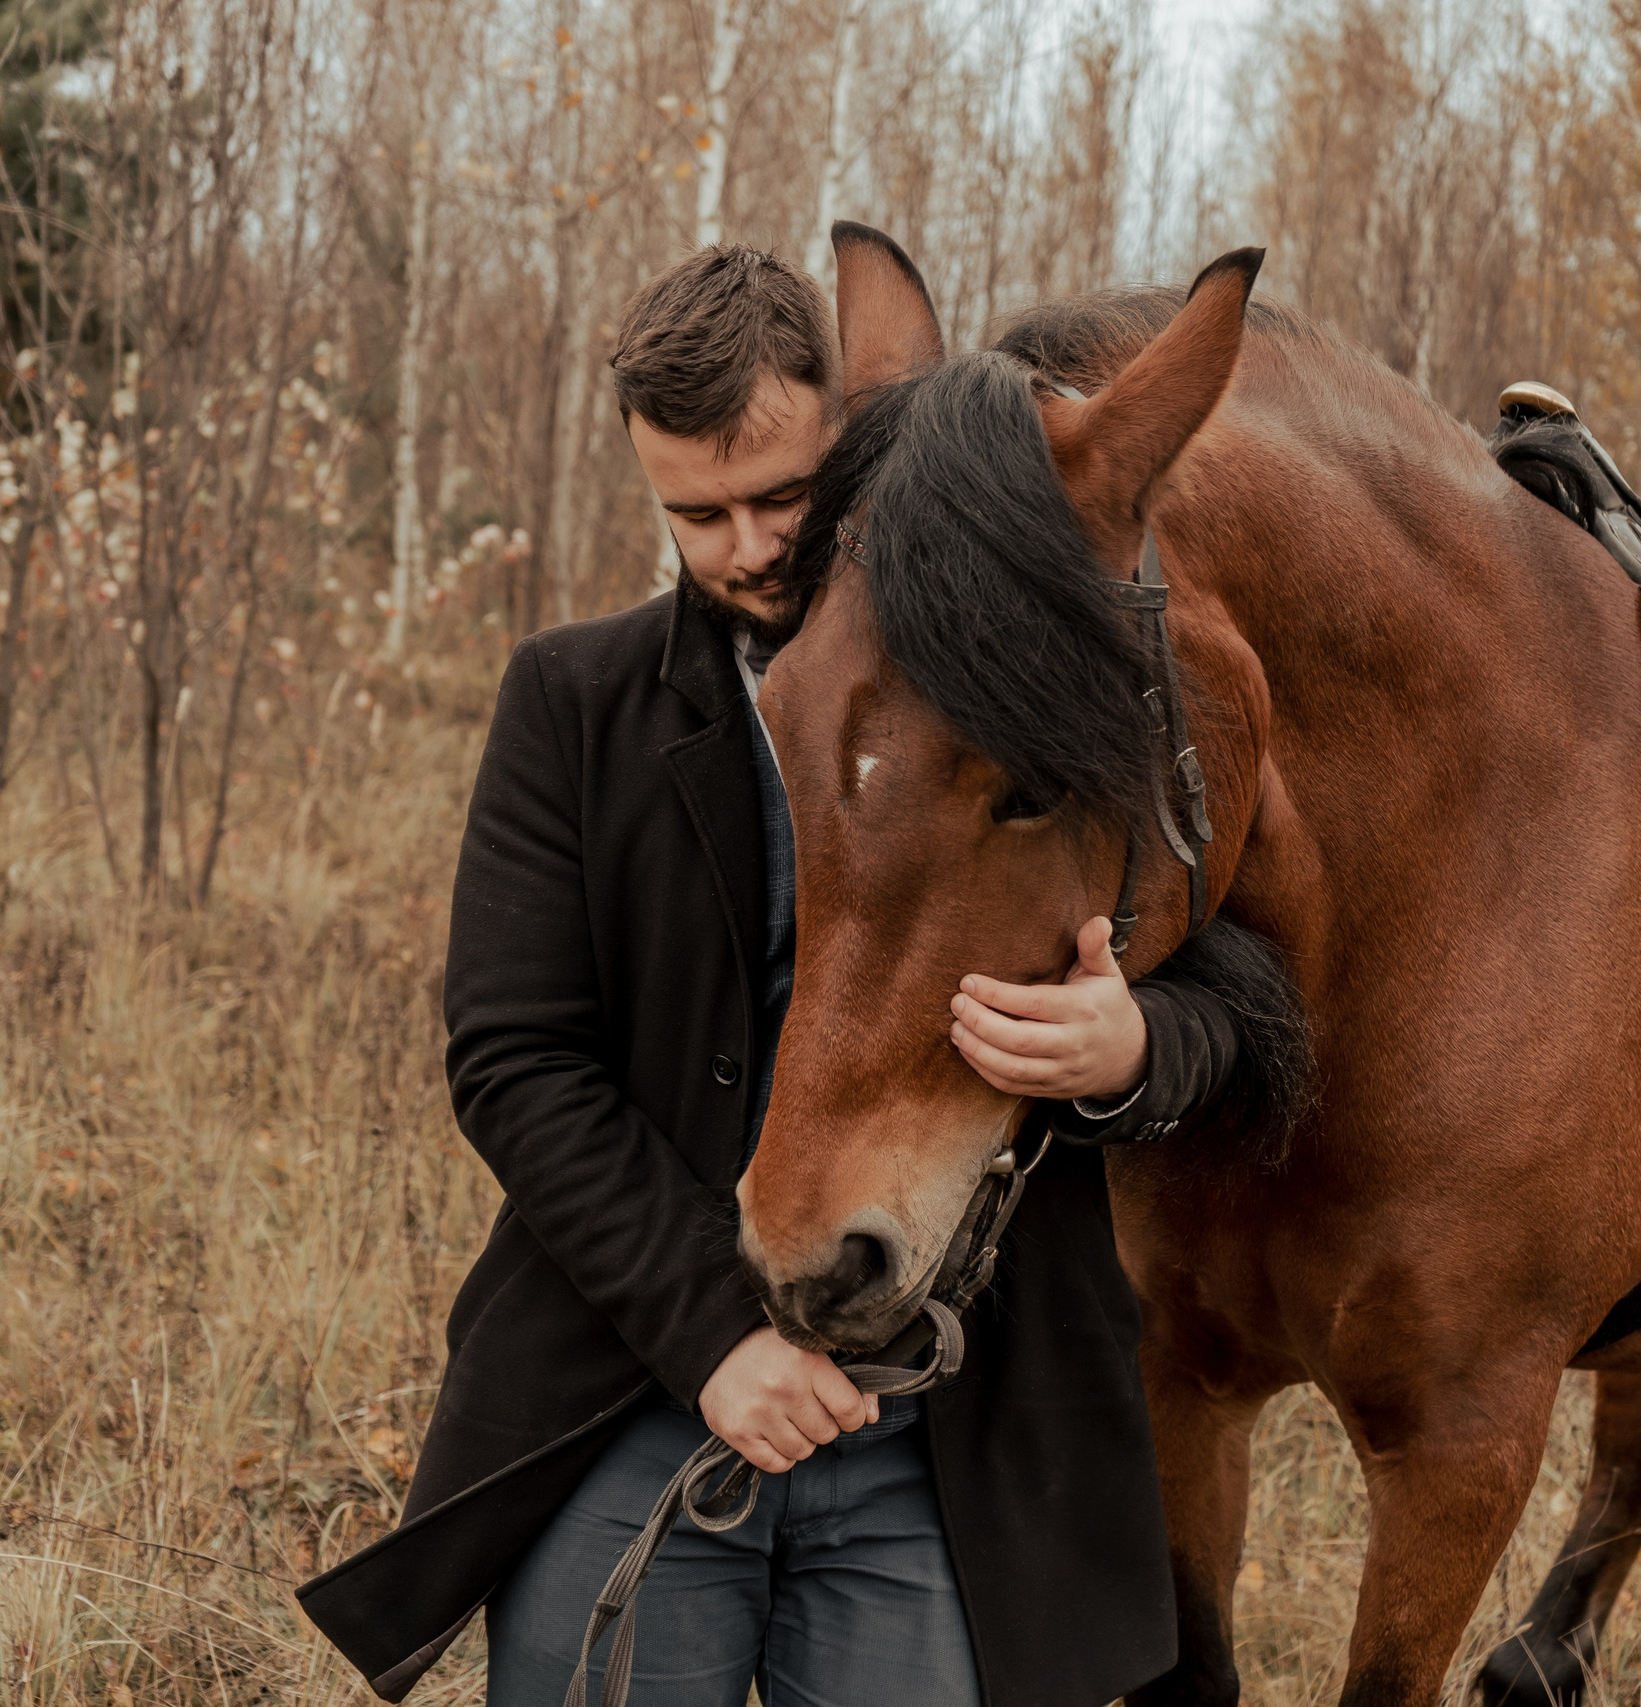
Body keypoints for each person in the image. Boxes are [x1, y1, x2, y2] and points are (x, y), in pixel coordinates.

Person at [296, 245, 1258, 1707]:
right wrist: (716, 1339)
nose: (746, 548)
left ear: (857, 449)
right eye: (697, 516)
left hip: (950, 1435)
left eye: (782, 501)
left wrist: (1131, 1052)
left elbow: (1247, 1004)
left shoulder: (1036, 685)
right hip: (640, 1386)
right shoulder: (575, 706)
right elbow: (514, 1061)